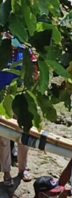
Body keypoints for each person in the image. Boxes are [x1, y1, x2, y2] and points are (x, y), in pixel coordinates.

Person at [0, 33, 30, 185]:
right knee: (3, 139)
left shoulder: (25, 51)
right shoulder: (1, 50)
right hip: (2, 99)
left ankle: (22, 168)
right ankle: (6, 172)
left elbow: (33, 74)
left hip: (21, 99)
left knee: (23, 136)